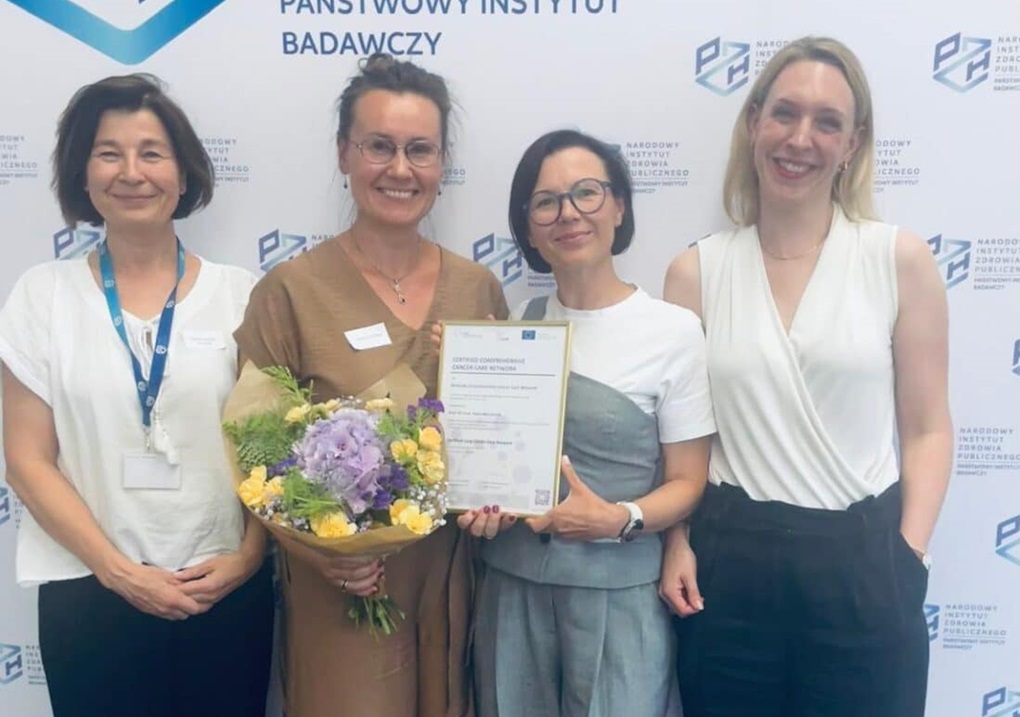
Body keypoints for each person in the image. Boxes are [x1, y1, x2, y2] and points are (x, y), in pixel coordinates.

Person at [661, 36, 952, 717]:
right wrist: (675, 541)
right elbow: (678, 443)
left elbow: (928, 428)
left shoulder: (898, 259)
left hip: (865, 569)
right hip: (729, 570)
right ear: (754, 122)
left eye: (827, 122)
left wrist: (908, 555)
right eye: (785, 113)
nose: (800, 139)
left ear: (853, 143)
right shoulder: (696, 272)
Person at [234, 53, 509, 717]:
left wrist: (501, 497)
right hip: (345, 586)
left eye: (420, 149)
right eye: (379, 146)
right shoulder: (290, 292)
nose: (400, 169)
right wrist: (320, 553)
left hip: (451, 582)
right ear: (343, 154)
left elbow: (502, 434)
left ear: (442, 164)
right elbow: (251, 454)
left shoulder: (477, 290)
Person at [0, 75, 273, 717]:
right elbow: (27, 460)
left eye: (151, 153)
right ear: (83, 172)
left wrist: (248, 556)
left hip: (221, 588)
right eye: (108, 153)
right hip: (89, 591)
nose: (131, 172)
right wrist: (119, 573)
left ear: (183, 172)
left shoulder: (242, 295)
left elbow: (274, 452)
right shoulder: (43, 295)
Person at [458, 129, 716, 717]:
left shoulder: (671, 331)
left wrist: (619, 518)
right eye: (546, 202)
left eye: (586, 193)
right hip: (512, 590)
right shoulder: (515, 328)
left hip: (620, 594)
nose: (568, 213)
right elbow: (495, 468)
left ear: (619, 206)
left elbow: (688, 480)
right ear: (528, 228)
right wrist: (481, 506)